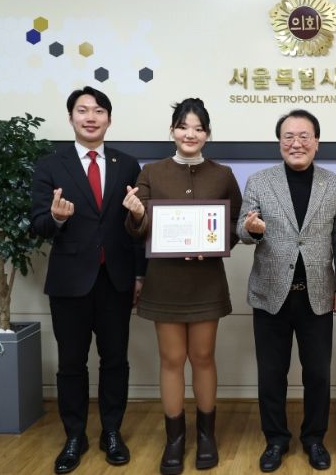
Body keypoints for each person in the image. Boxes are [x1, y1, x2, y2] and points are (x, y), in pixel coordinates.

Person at [123, 98, 242, 474]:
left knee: (203, 357)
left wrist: (215, 243)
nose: (190, 134)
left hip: (205, 281)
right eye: (183, 126)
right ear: (172, 130)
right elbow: (138, 228)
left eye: (198, 128)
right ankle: (175, 438)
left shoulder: (222, 174)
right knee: (172, 360)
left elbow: (235, 223)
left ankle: (207, 435)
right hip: (165, 281)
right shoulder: (151, 172)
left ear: (207, 134)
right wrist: (137, 213)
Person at [30, 86, 145, 474]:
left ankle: (112, 432)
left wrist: (140, 274)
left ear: (109, 119)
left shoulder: (127, 164)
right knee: (71, 364)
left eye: (98, 111)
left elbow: (136, 226)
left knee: (115, 360)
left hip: (116, 280)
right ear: (71, 118)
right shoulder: (50, 165)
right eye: (82, 110)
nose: (90, 117)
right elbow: (38, 224)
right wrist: (57, 218)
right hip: (70, 282)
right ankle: (74, 436)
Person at [237, 109, 336, 472]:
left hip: (317, 294)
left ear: (317, 142)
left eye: (304, 136)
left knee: (318, 374)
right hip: (270, 294)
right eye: (288, 136)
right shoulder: (259, 181)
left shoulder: (335, 185)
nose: (296, 143)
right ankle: (275, 440)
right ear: (279, 142)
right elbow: (242, 230)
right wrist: (252, 230)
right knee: (272, 374)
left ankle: (314, 439)